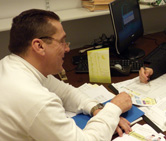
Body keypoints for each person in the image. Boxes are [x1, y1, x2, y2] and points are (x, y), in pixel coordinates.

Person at [0, 9, 132, 140]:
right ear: (39, 46)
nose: (67, 48)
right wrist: (113, 108)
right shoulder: (36, 100)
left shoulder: (14, 65)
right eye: (62, 41)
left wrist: (96, 109)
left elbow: (65, 93)